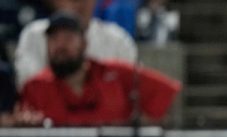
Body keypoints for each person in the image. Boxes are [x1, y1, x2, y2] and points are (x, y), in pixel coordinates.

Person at [16, 12, 180, 127]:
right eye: (53, 39)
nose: (60, 45)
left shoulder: (115, 73)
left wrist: (138, 130)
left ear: (84, 43)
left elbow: (166, 91)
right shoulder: (35, 86)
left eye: (68, 38)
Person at [14, 0, 137, 87]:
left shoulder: (118, 39)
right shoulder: (34, 35)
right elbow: (28, 86)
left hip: (107, 120)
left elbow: (132, 90)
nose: (79, 4)